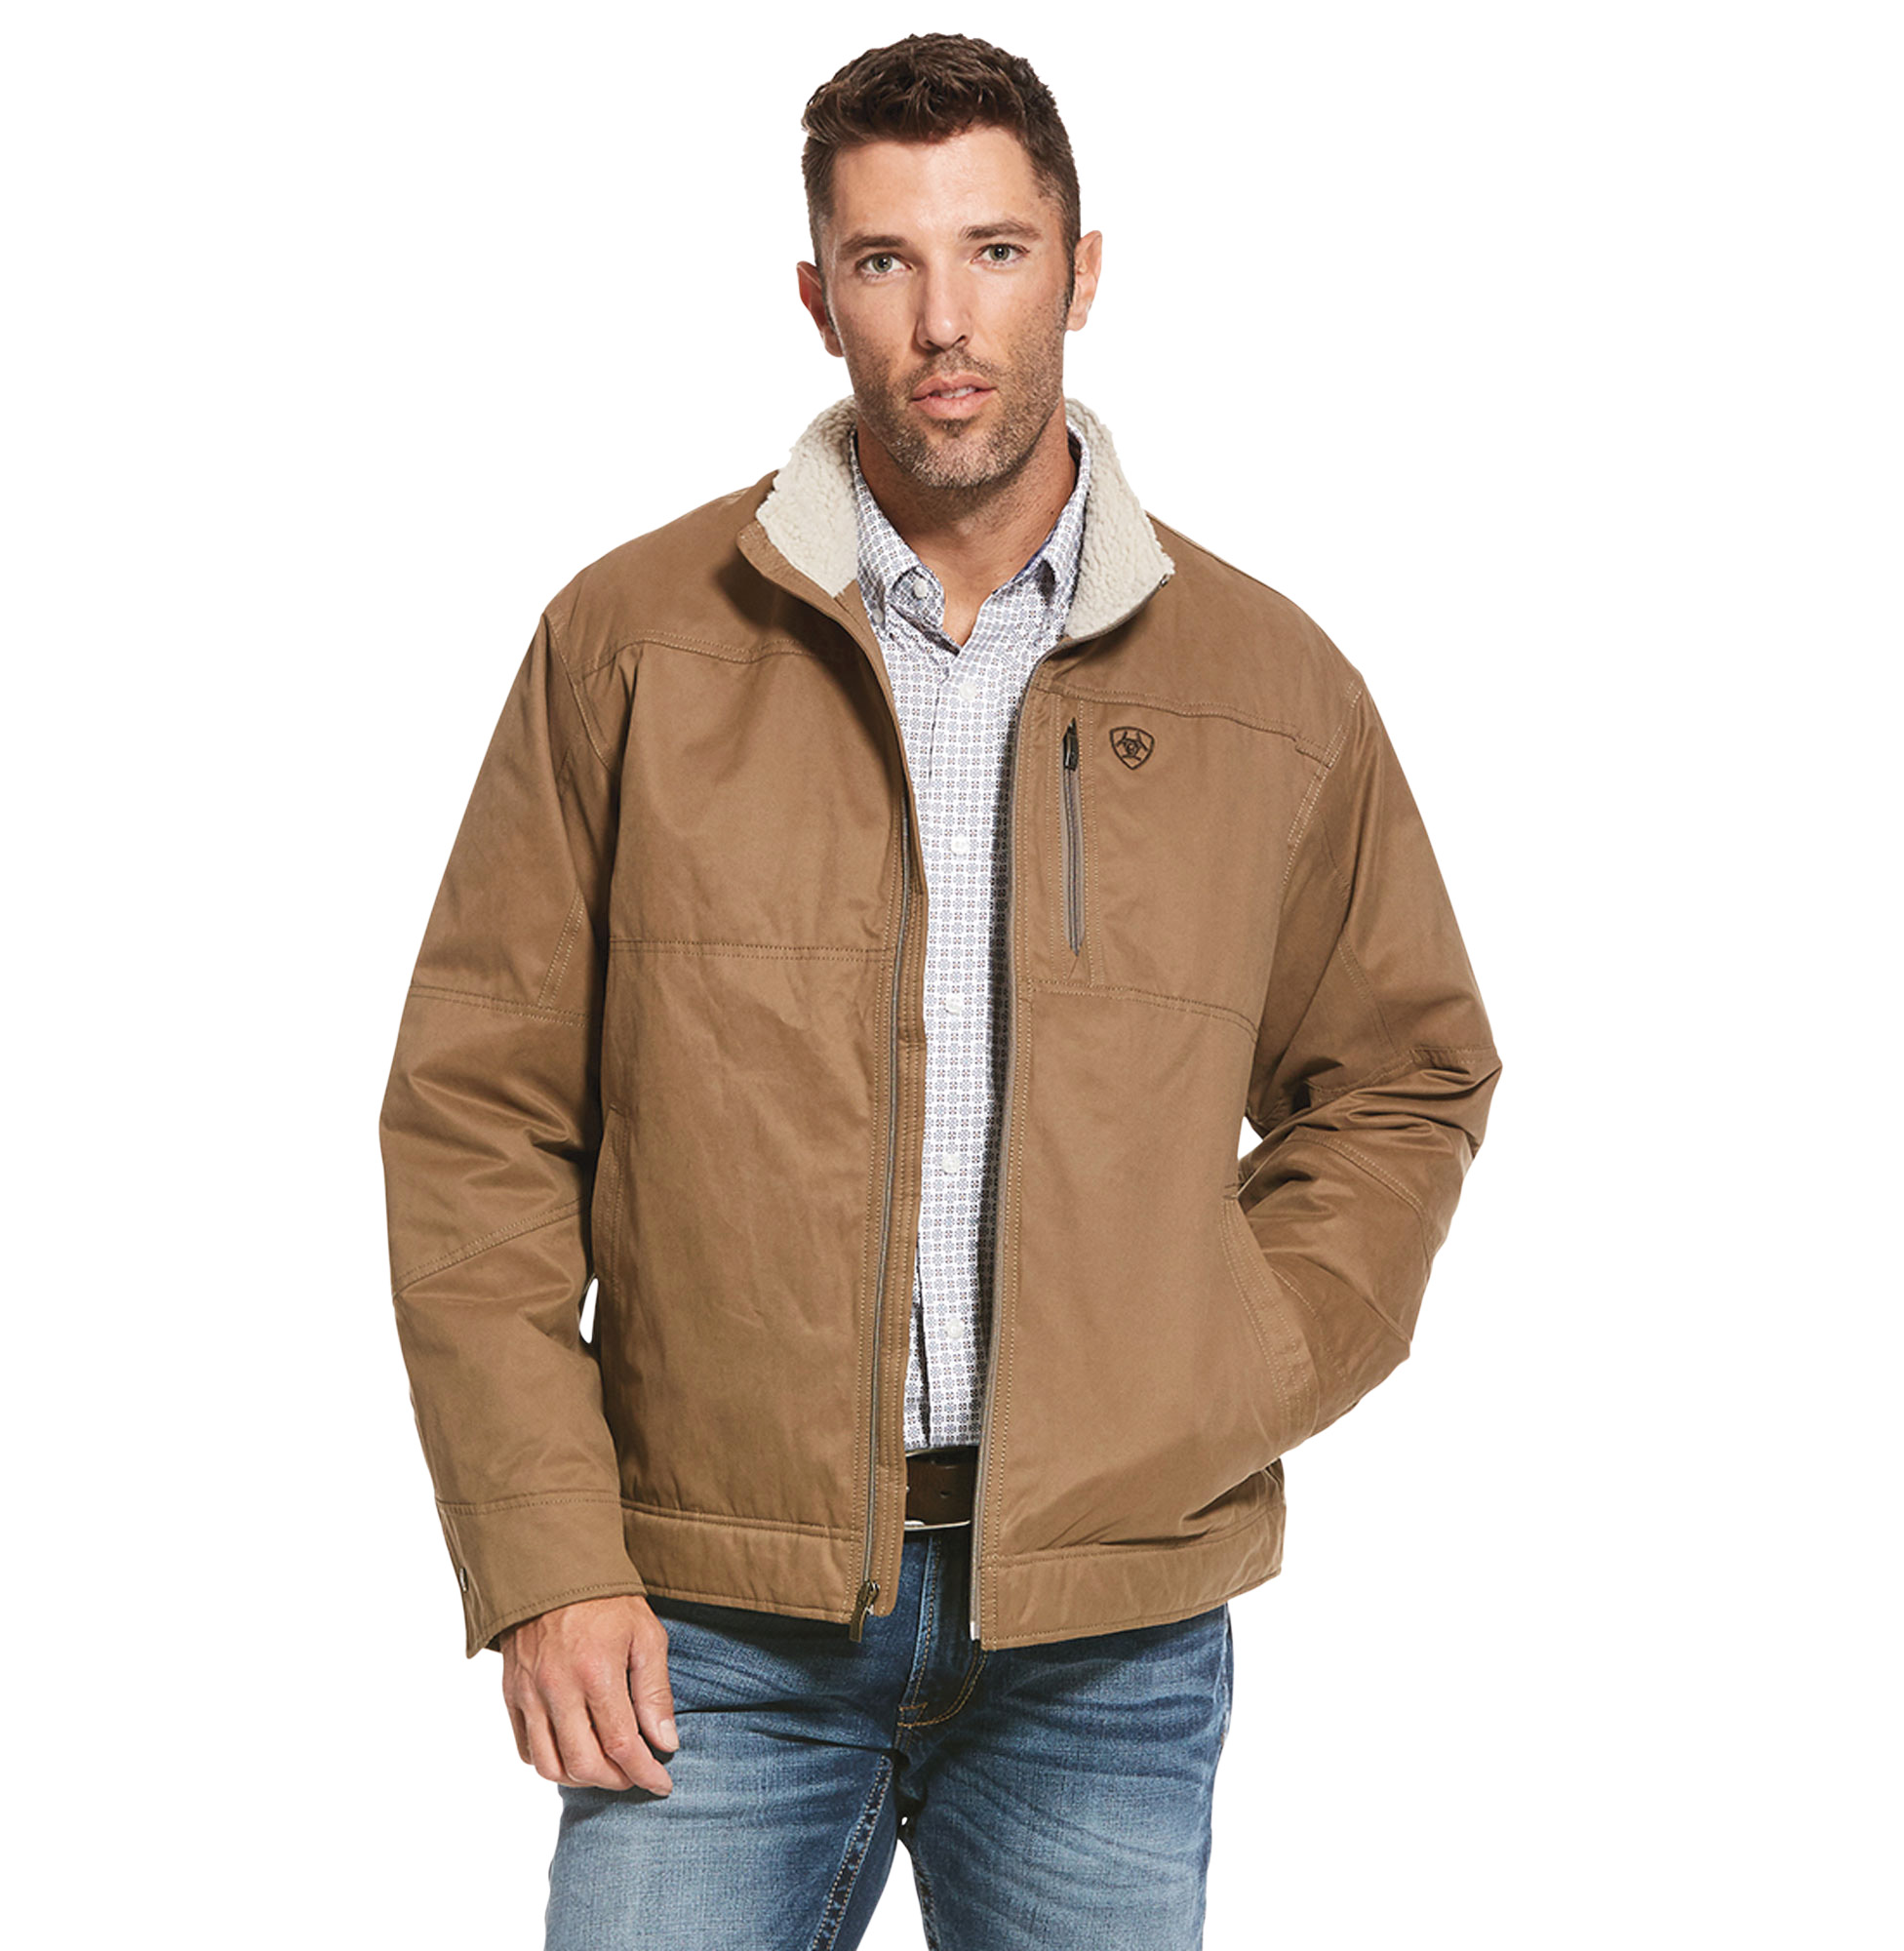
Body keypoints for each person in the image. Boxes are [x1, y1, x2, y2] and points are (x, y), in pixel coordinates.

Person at [377, 30, 1502, 1950]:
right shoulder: (631, 645)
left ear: (1082, 271)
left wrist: (1220, 1367)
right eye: (884, 262)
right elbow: (477, 1117)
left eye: (995, 251)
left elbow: (1403, 1080)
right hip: (707, 1618)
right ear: (817, 297)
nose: (944, 320)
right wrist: (546, 1555)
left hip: (1106, 1635)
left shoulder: (1268, 686)